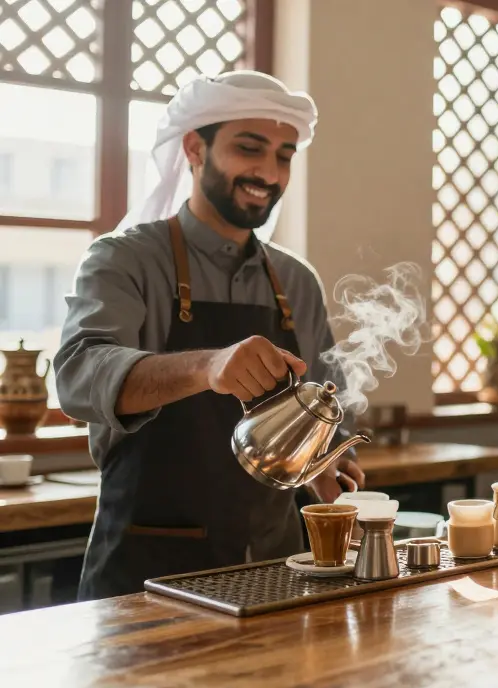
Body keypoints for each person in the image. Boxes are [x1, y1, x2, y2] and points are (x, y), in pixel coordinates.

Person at [55, 70, 365, 601]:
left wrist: (326, 463)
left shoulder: (296, 280)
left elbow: (333, 410)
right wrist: (207, 367)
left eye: (284, 156)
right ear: (195, 149)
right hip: (148, 573)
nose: (268, 172)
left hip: (277, 568)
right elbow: (79, 376)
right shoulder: (124, 259)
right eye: (250, 148)